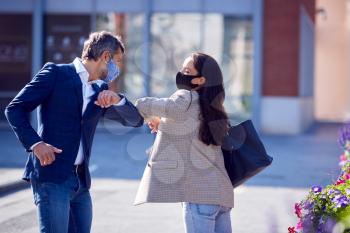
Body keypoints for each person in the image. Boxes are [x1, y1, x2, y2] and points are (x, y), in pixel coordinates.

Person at [4, 31, 144, 233]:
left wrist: (118, 99)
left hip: (81, 182)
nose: (118, 67)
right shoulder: (56, 74)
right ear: (105, 56)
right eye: (118, 60)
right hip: (51, 175)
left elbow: (135, 120)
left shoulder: (101, 90)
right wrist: (36, 144)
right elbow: (14, 108)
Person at [134, 52, 234, 233]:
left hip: (199, 196)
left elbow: (162, 106)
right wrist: (162, 122)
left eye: (187, 70)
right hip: (222, 195)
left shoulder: (186, 98)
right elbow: (190, 130)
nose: (181, 73)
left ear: (200, 80)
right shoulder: (214, 108)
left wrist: (126, 102)